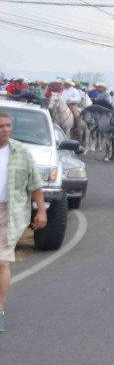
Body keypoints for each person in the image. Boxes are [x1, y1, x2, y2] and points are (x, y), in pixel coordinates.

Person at [0, 110, 48, 334]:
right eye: (2, 127)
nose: (6, 130)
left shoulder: (21, 152)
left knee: (2, 262)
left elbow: (35, 184)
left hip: (9, 211)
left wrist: (41, 211)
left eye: (8, 126)